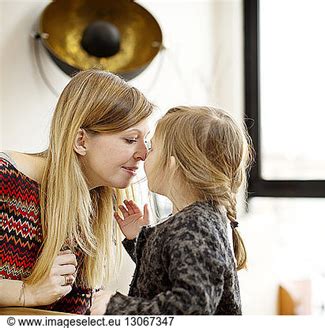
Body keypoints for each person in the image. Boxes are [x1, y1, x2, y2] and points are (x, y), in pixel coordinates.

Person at [0, 69, 154, 314]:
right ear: (81, 140)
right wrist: (26, 292)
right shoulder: (4, 175)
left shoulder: (98, 201)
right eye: (129, 139)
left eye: (145, 140)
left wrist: (144, 246)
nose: (144, 154)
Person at [90, 106, 253, 315]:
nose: (143, 155)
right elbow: (167, 269)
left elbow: (191, 308)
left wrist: (114, 306)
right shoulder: (198, 220)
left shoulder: (195, 227)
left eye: (153, 147)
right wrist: (139, 239)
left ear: (173, 165)